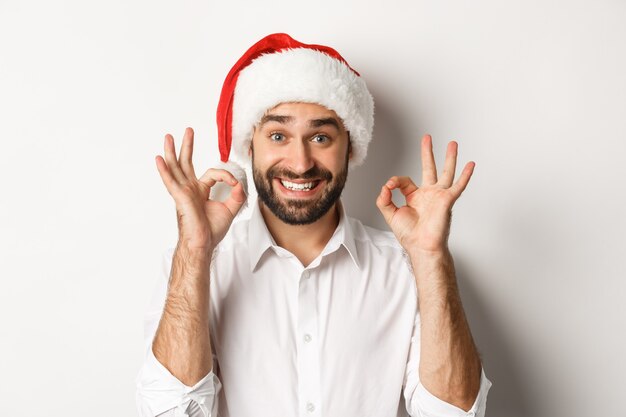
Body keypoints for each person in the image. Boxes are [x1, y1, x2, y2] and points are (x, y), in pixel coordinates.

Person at [136, 33, 492, 417]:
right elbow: (169, 413)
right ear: (249, 146)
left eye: (320, 137)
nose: (301, 162)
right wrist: (195, 249)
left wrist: (431, 256)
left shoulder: (406, 267)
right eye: (278, 135)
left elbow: (454, 414)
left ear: (350, 148)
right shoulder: (199, 264)